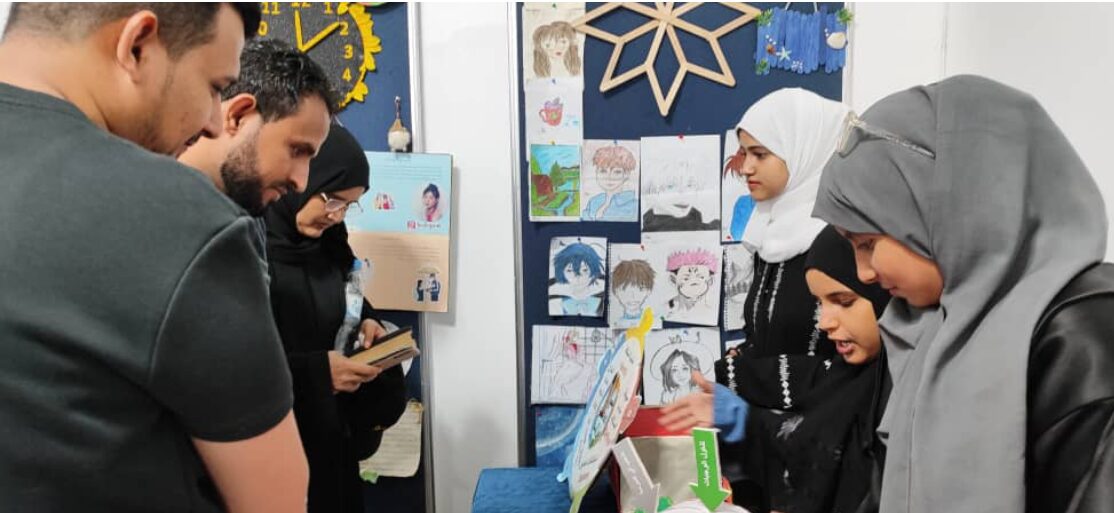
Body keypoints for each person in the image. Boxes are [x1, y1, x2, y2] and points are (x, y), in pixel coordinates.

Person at [0, 4, 310, 512]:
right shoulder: (174, 214)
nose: (213, 124)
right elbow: (276, 502)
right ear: (137, 45)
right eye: (214, 86)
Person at [813, 74, 1114, 513]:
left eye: (868, 244)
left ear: (944, 210)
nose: (865, 273)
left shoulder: (1083, 330)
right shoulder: (924, 327)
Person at [661, 226, 892, 513]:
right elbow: (805, 447)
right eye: (820, 304)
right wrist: (742, 422)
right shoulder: (845, 379)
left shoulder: (901, 396)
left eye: (844, 302)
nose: (824, 322)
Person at [264, 124, 408, 513]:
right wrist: (315, 374)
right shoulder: (246, 252)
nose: (338, 214)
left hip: (334, 452)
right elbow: (224, 371)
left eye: (349, 205)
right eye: (332, 200)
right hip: (269, 458)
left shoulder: (330, 247)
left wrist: (368, 322)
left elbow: (350, 300)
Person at [730, 87, 851, 360]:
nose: (746, 168)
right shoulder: (768, 233)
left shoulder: (843, 240)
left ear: (804, 150)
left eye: (759, 154)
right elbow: (766, 336)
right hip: (766, 402)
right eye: (744, 154)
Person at [179, 38, 336, 216]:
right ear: (238, 117)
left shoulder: (246, 222)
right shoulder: (147, 209)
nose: (301, 183)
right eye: (297, 150)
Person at [582, 144, 638, 221]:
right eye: (603, 171)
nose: (609, 177)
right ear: (596, 173)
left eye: (617, 172)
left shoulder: (633, 205)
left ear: (626, 174)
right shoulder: (593, 201)